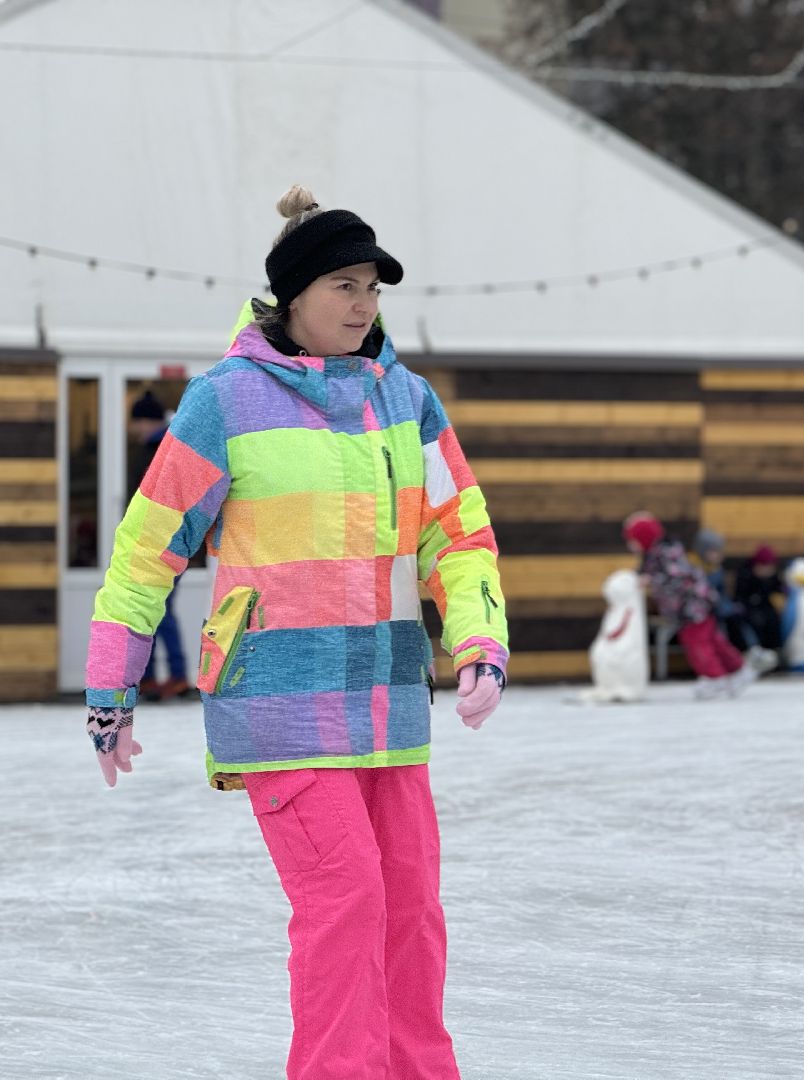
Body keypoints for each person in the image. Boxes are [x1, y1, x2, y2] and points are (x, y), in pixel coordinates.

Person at [84, 185, 508, 1079]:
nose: (363, 305)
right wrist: (111, 686)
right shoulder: (224, 401)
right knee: (346, 899)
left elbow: (457, 535)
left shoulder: (408, 401)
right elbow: (146, 551)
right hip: (279, 704)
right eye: (344, 286)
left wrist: (478, 640)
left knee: (410, 910)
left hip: (388, 703)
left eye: (373, 289)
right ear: (293, 296)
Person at [625, 511, 755, 698]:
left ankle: (714, 678)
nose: (630, 545)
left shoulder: (665, 554)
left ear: (644, 539)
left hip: (693, 608)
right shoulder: (656, 554)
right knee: (714, 640)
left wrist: (651, 580)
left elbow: (677, 578)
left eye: (633, 540)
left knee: (697, 643)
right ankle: (737, 669)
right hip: (693, 606)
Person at [128, 390, 191, 701]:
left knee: (157, 611)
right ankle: (154, 677)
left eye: (136, 422)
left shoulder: (161, 449)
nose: (133, 429)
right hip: (164, 542)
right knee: (154, 610)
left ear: (146, 421)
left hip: (162, 542)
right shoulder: (161, 446)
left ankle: (171, 676)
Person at [694, 527, 776, 670]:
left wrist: (730, 607)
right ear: (704, 551)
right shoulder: (694, 570)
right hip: (700, 611)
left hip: (718, 609)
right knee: (727, 622)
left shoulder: (716, 570)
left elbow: (721, 594)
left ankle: (752, 650)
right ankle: (742, 655)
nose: (719, 555)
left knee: (739, 617)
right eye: (715, 551)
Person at [734, 544, 786, 655]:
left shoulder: (772, 577)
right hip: (749, 612)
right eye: (766, 567)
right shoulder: (745, 576)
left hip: (765, 610)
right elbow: (740, 599)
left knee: (773, 620)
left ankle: (775, 651)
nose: (769, 571)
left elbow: (779, 588)